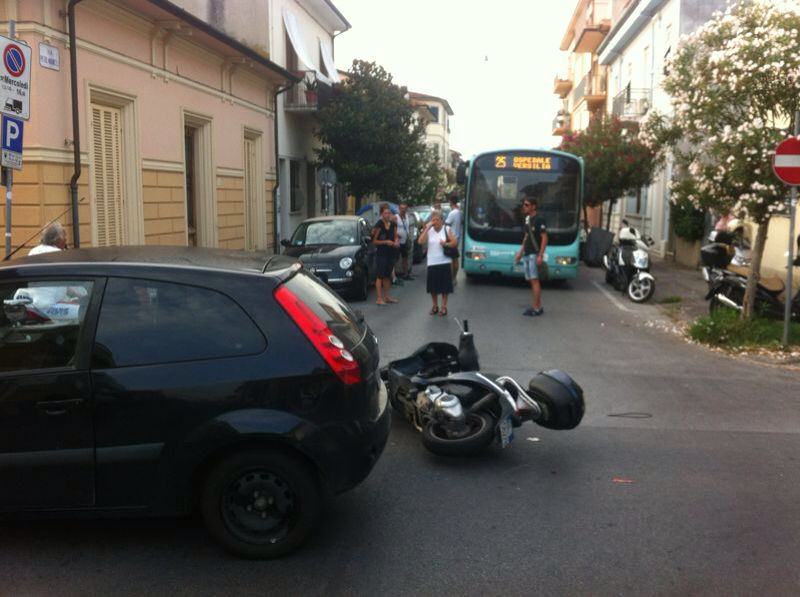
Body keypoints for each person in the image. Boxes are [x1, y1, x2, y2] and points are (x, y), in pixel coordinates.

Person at [419, 209, 456, 316]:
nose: (435, 221)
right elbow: (420, 241)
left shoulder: (447, 229)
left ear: (442, 220)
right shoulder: (429, 231)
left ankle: (444, 307)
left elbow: (454, 242)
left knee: (445, 287)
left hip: (444, 261)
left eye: (437, 219)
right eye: (433, 219)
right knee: (433, 287)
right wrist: (427, 228)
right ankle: (435, 306)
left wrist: (446, 244)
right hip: (432, 262)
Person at [514, 196, 548, 317]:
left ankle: (536, 308)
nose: (524, 207)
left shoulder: (539, 219)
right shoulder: (528, 219)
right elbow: (526, 237)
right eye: (524, 204)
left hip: (534, 254)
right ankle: (537, 306)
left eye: (527, 205)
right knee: (531, 281)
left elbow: (544, 238)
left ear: (534, 206)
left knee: (534, 281)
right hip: (527, 253)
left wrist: (540, 255)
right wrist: (520, 252)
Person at [371, 203, 399, 306]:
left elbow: (396, 236)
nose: (388, 215)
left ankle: (387, 296)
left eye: (389, 213)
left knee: (387, 276)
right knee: (380, 276)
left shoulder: (393, 224)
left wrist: (396, 242)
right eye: (385, 213)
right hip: (381, 254)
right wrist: (386, 242)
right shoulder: (379, 225)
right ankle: (379, 298)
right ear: (382, 214)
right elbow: (374, 241)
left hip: (391, 253)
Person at [445, 194, 463, 281]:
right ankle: (454, 277)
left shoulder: (452, 213)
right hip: (458, 237)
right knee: (455, 258)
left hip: (452, 238)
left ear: (451, 202)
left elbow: (446, 224)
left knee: (451, 259)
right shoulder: (460, 212)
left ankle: (452, 278)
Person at [395, 202, 413, 280]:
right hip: (398, 242)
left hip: (405, 241)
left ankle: (405, 274)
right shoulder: (396, 217)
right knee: (394, 259)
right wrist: (396, 235)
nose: (403, 210)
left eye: (404, 208)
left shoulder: (407, 216)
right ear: (399, 209)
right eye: (401, 208)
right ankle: (393, 276)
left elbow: (407, 227)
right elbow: (392, 227)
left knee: (405, 258)